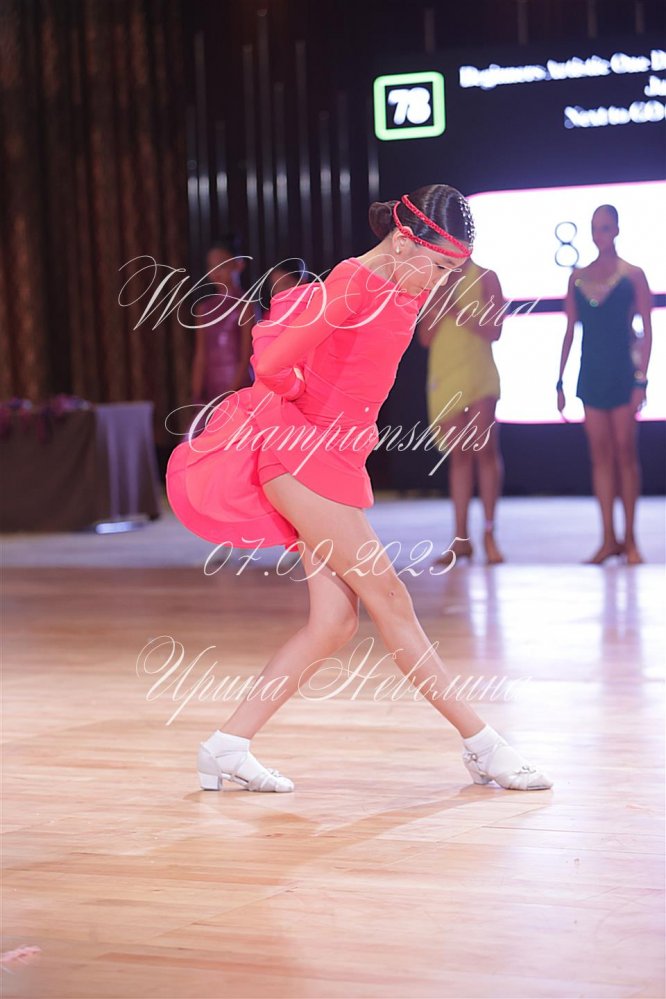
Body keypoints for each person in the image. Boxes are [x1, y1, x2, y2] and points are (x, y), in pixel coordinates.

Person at [167, 184, 552, 794]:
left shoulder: (403, 284)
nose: (439, 282)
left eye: (449, 272)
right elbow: (270, 365)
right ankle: (483, 745)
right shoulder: (353, 282)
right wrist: (304, 402)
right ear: (402, 242)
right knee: (390, 598)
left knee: (334, 624)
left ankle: (226, 746)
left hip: (334, 458)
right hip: (301, 454)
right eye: (437, 267)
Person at [557, 205, 653, 565]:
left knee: (625, 452)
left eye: (607, 227)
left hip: (622, 372)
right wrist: (559, 380)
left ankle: (630, 539)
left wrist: (641, 378)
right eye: (596, 228)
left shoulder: (633, 276)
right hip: (591, 372)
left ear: (617, 229)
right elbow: (570, 330)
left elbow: (647, 331)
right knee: (600, 456)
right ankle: (608, 539)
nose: (602, 234)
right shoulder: (578, 278)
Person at [417, 255, 505, 565]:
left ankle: (489, 533)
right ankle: (460, 539)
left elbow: (495, 330)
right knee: (459, 456)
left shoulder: (486, 277)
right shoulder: (435, 283)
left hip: (479, 372)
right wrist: (440, 301)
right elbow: (425, 337)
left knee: (485, 450)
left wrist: (456, 309)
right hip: (446, 374)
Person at [190, 237, 255, 406]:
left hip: (239, 385)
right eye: (211, 266)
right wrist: (196, 393)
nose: (216, 271)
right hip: (212, 387)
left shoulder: (245, 304)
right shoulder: (204, 308)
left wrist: (229, 393)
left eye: (222, 265)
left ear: (239, 265)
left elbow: (247, 355)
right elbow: (200, 355)